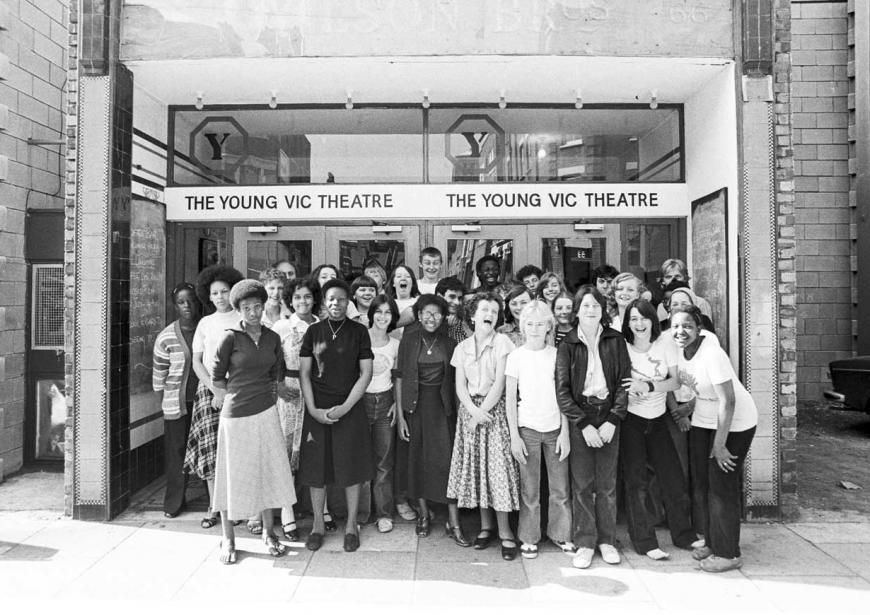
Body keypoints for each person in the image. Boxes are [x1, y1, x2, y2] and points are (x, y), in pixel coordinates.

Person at [209, 280, 297, 565]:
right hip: (235, 416)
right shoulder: (230, 337)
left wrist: (273, 392)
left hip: (267, 411)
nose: (253, 312)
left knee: (267, 472)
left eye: (257, 306)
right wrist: (226, 398)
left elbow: (277, 371)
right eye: (246, 307)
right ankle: (229, 539)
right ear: (238, 310)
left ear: (264, 306)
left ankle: (270, 534)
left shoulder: (272, 337)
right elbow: (217, 375)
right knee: (232, 475)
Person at [672, 306, 757, 573]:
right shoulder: (679, 351)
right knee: (701, 483)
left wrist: (720, 445)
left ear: (699, 330)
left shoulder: (712, 353)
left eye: (687, 326)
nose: (680, 331)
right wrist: (689, 407)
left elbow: (728, 401)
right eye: (675, 326)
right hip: (704, 419)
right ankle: (711, 541)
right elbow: (702, 387)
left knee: (721, 486)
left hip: (735, 423)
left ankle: (728, 553)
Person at [555, 284, 631, 569]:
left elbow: (625, 382)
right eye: (585, 305)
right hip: (581, 417)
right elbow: (562, 391)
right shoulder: (568, 344)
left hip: (609, 413)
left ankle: (607, 541)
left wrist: (614, 418)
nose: (591, 310)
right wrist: (583, 424)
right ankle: (585, 542)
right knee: (583, 484)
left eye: (596, 305)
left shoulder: (616, 339)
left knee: (607, 485)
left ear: (603, 310)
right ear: (577, 310)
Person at [298, 278, 374, 553]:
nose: (336, 303)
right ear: (324, 301)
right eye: (331, 299)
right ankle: (318, 524)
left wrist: (345, 407)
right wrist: (313, 410)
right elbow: (304, 373)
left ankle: (352, 525)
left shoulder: (358, 332)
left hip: (350, 409)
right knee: (317, 468)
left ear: (348, 302)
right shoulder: (313, 332)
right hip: (317, 408)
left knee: (350, 468)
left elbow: (366, 373)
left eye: (341, 299)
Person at [619, 299, 697, 560]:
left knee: (673, 478)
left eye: (644, 318)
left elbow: (675, 381)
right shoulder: (622, 347)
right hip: (631, 420)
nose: (639, 324)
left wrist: (649, 386)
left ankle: (684, 535)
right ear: (627, 323)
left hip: (658, 417)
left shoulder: (665, 344)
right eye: (633, 319)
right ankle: (644, 541)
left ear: (653, 319)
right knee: (636, 482)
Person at [447, 292, 521, 561]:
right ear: (472, 315)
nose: (489, 314)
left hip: (494, 413)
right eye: (484, 310)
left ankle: (505, 534)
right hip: (470, 414)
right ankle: (485, 527)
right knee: (478, 471)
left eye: (493, 310)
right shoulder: (462, 347)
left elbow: (501, 384)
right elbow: (459, 386)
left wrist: (483, 411)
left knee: (497, 472)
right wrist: (472, 411)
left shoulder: (503, 343)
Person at [395, 295, 470, 547]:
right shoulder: (408, 340)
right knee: (417, 461)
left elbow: (458, 381)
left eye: (437, 314)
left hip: (443, 409)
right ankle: (424, 514)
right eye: (426, 313)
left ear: (443, 317)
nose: (431, 318)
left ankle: (454, 521)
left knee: (447, 463)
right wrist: (402, 415)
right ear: (418, 315)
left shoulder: (450, 343)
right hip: (416, 409)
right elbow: (400, 377)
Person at [506, 301, 574, 559]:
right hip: (528, 429)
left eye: (540, 323)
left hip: (555, 428)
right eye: (530, 324)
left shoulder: (557, 355)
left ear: (549, 326)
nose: (535, 329)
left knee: (560, 487)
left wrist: (566, 433)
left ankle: (560, 534)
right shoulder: (516, 356)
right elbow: (510, 400)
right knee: (530, 489)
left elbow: (564, 397)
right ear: (523, 326)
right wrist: (514, 436)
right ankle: (529, 537)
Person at [185, 264, 244, 530]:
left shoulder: (243, 319)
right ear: (207, 296)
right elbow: (197, 362)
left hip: (241, 390)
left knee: (237, 453)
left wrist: (229, 390)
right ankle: (214, 507)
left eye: (225, 291)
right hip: (209, 391)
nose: (220, 297)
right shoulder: (205, 324)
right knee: (211, 452)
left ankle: (240, 507)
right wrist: (215, 389)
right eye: (215, 292)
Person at [271, 277, 323, 540]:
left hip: (316, 391)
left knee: (316, 450)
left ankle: (320, 511)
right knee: (287, 450)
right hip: (290, 391)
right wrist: (278, 386)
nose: (303, 301)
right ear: (290, 300)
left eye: (307, 296)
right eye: (298, 297)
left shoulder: (323, 325)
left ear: (314, 299)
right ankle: (286, 513)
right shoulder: (281, 326)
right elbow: (271, 360)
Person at [152, 282, 200, 519]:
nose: (187, 306)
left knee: (207, 450)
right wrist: (169, 402)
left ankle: (214, 501)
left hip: (204, 403)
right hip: (177, 405)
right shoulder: (166, 337)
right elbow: (159, 378)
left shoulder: (206, 328)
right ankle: (174, 503)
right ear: (175, 306)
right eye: (181, 302)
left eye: (191, 300)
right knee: (176, 452)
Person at [364, 294, 401, 533]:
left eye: (388, 312)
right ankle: (359, 512)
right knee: (358, 459)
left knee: (384, 462)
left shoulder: (395, 344)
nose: (383, 317)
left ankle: (384, 513)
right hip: (360, 401)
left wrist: (397, 402)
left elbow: (398, 378)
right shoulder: (360, 338)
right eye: (379, 311)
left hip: (385, 401)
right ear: (371, 313)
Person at [436, 276, 471, 343]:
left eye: (459, 298)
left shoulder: (462, 322)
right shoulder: (428, 321)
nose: (457, 302)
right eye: (452, 297)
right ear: (439, 297)